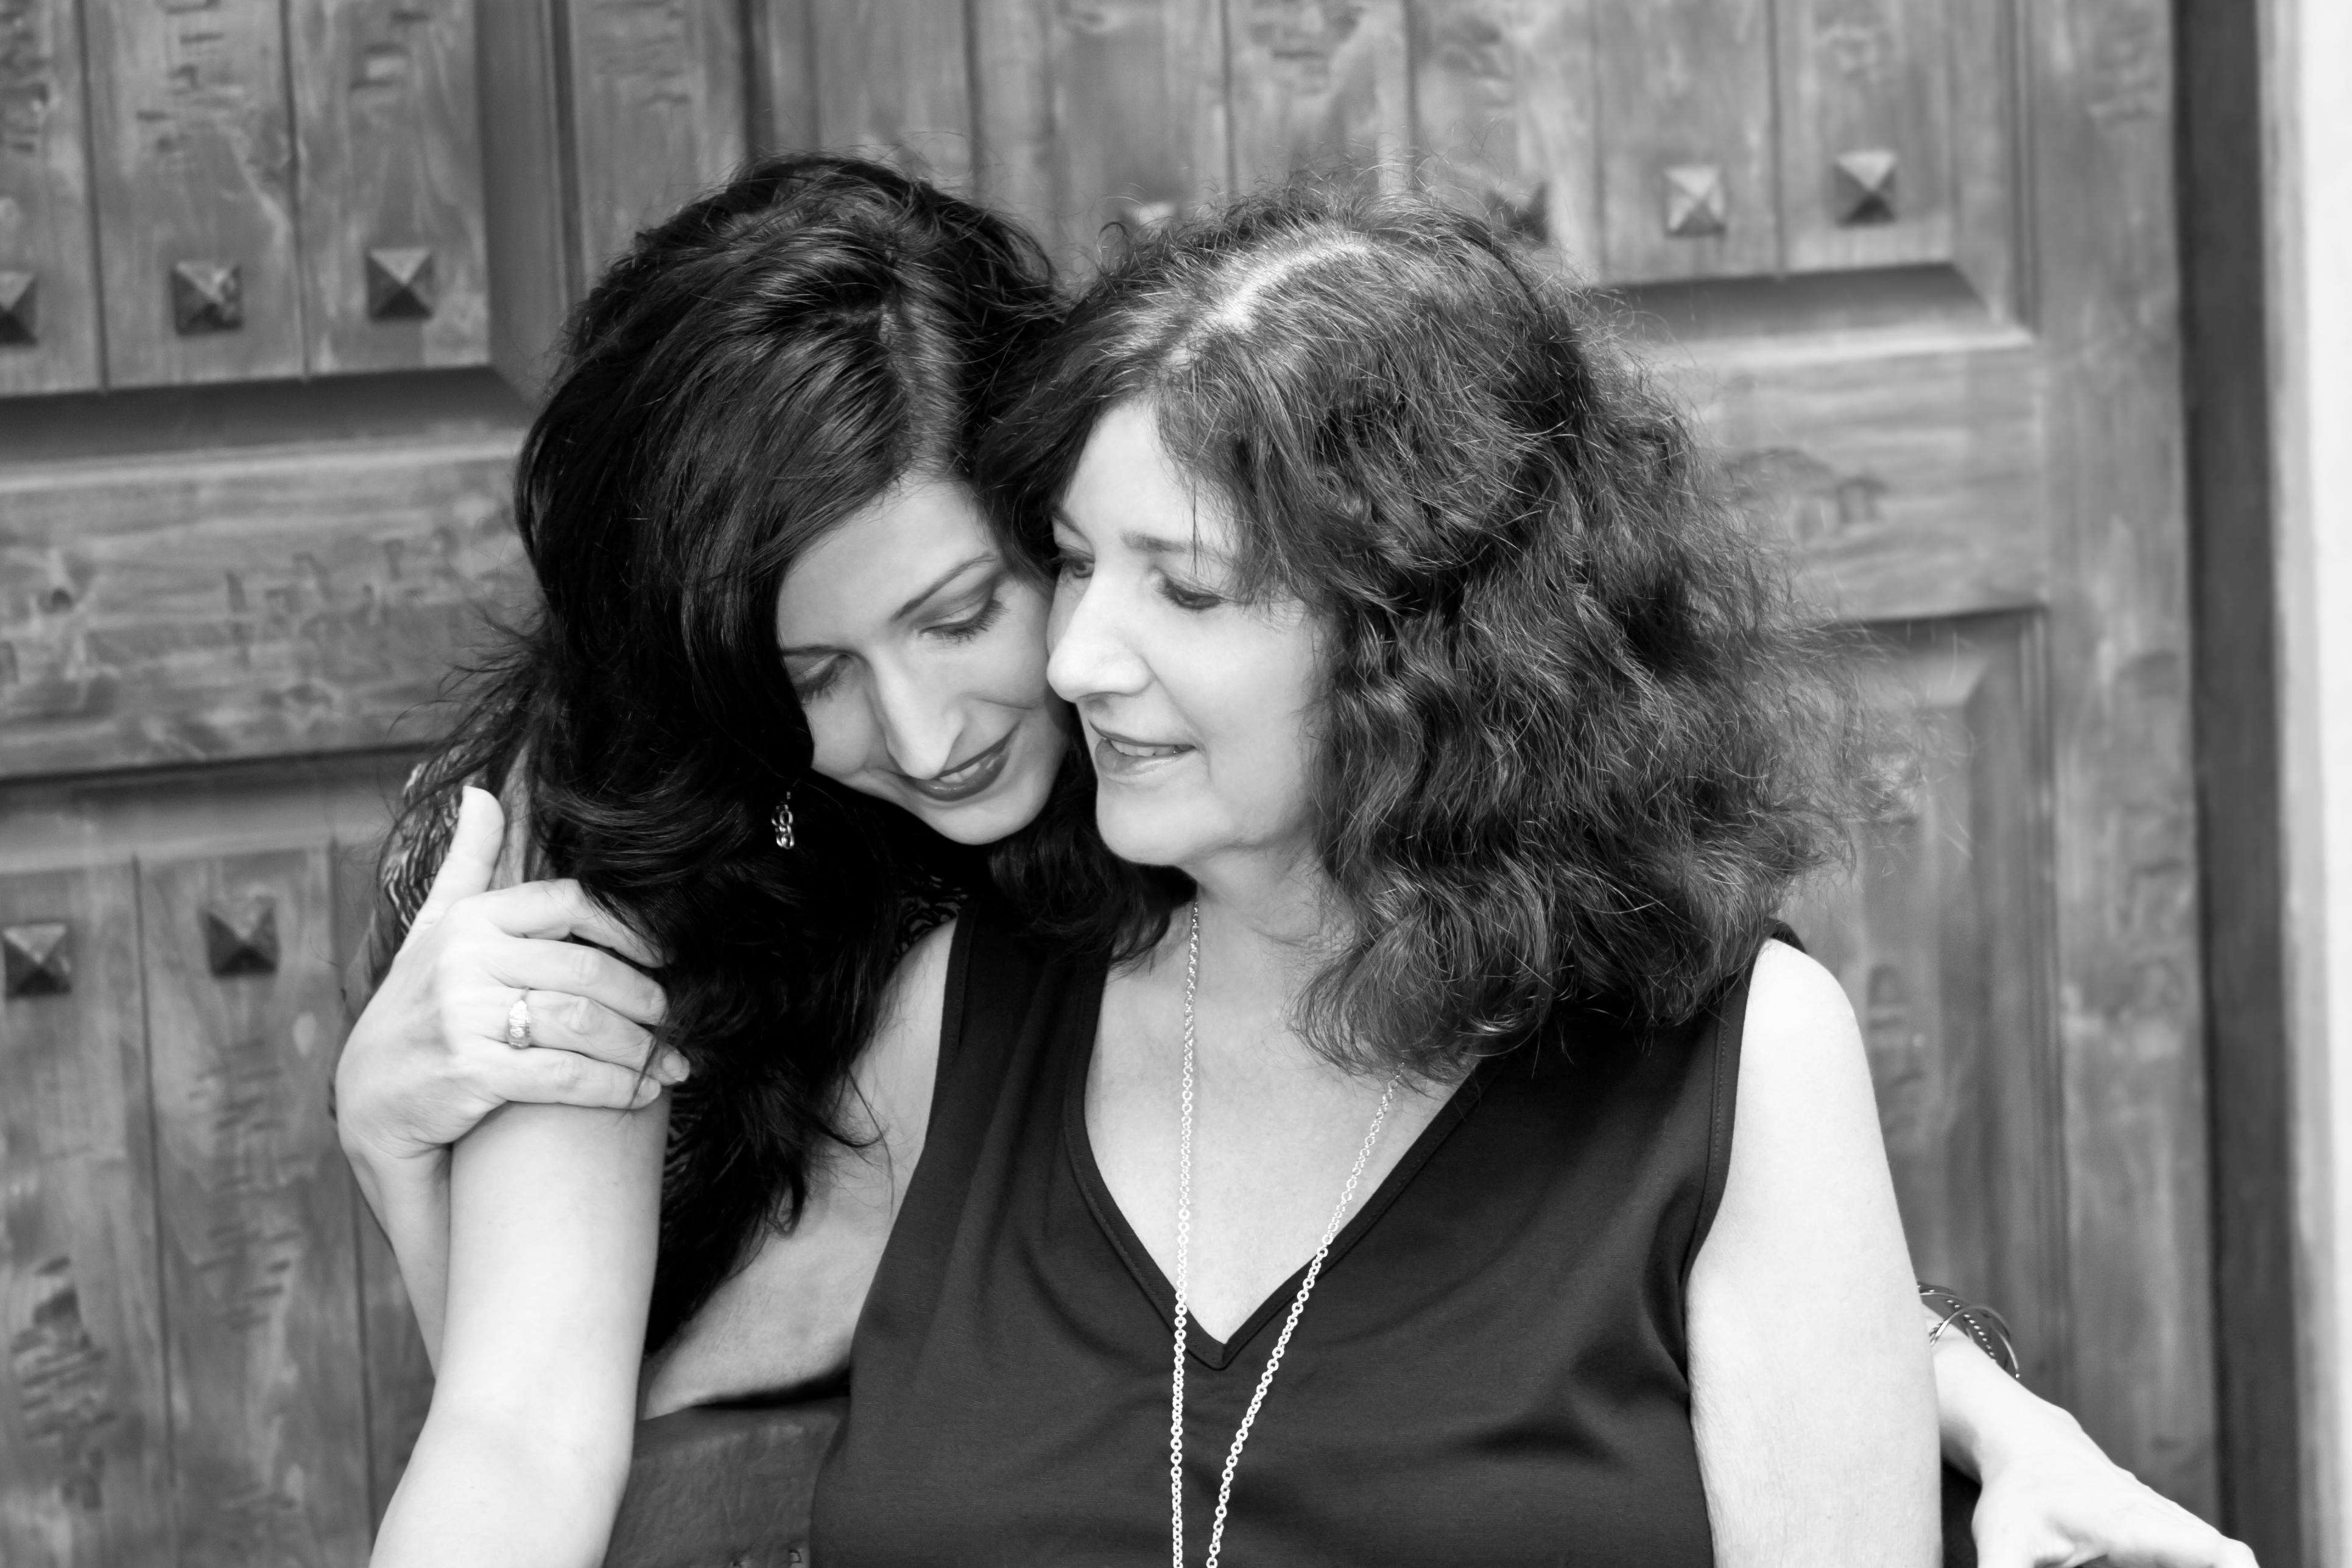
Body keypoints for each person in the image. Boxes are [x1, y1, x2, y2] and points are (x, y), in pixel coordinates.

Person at [341, 160, 2257, 1568]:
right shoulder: (658, 868)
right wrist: (403, 1157)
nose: (933, 732)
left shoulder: (1303, 817)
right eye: (813, 674)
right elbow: (527, 1420)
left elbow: (1621, 1206)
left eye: (968, 610)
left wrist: (1974, 1401)